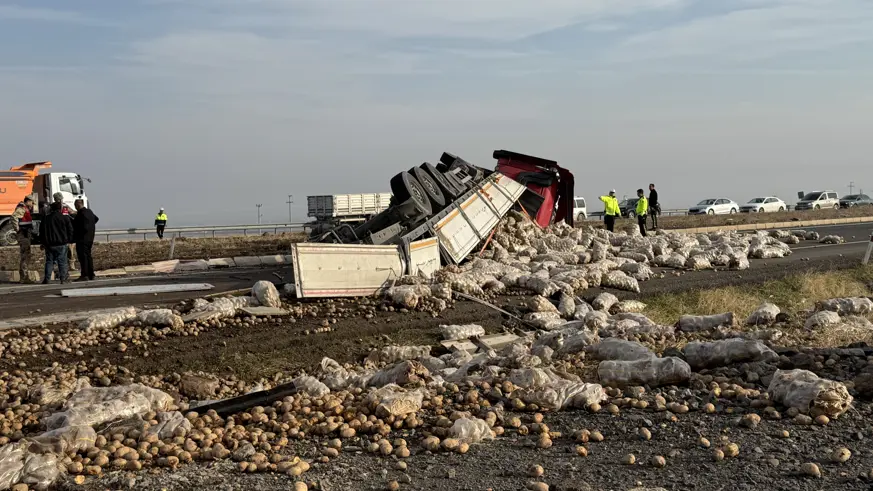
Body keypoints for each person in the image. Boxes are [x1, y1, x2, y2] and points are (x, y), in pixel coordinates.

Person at [39, 201, 74, 284]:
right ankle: (63, 279)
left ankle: (47, 279)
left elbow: (41, 232)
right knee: (62, 262)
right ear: (60, 208)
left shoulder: (46, 218)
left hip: (49, 244)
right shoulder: (64, 218)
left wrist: (43, 242)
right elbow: (70, 230)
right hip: (61, 243)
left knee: (49, 261)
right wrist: (69, 240)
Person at [72, 199, 99, 281]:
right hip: (90, 238)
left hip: (82, 239)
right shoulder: (89, 212)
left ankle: (85, 275)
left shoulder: (80, 214)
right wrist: (91, 226)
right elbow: (96, 219)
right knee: (88, 256)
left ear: (77, 205)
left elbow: (81, 226)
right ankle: (91, 274)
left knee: (83, 257)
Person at [10, 197, 35, 283]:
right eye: (32, 202)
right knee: (25, 256)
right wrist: (17, 229)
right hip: (23, 235)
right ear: (28, 201)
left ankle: (24, 277)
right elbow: (14, 217)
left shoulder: (25, 209)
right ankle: (24, 277)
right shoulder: (22, 208)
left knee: (26, 255)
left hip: (25, 234)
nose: (32, 205)